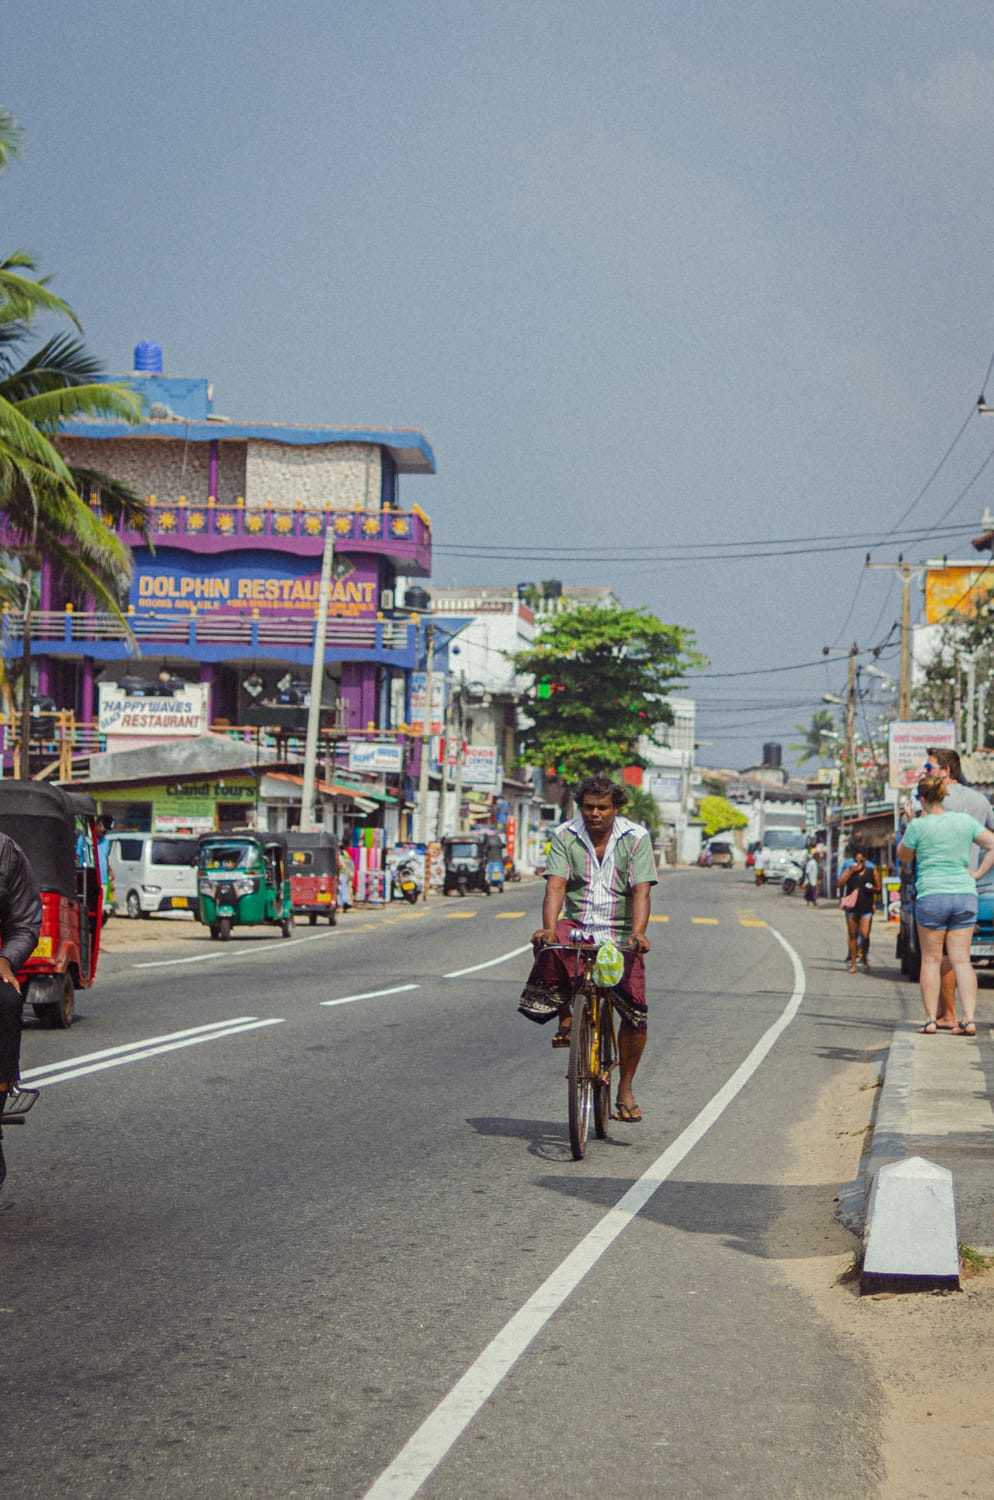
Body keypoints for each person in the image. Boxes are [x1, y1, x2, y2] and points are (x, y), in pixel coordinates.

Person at [518, 774, 656, 1123]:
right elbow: (556, 886)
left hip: (620, 932)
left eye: (603, 808)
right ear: (581, 807)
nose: (595, 814)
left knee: (635, 1012)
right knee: (548, 946)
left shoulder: (636, 838)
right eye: (589, 807)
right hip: (578, 926)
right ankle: (566, 1013)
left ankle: (625, 1088)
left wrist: (638, 934)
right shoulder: (565, 835)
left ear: (616, 808)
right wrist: (549, 928)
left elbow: (642, 891)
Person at [897, 772, 994, 1036]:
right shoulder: (964, 821)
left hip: (932, 895)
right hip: (964, 894)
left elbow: (904, 856)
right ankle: (969, 1020)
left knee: (930, 960)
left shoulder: (919, 825)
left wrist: (908, 824)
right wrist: (977, 873)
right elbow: (992, 843)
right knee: (962, 960)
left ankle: (930, 1020)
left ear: (922, 798)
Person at [924, 749, 994, 1029]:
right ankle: (964, 1017)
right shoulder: (980, 800)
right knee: (960, 957)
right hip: (971, 887)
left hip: (938, 885)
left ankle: (946, 1014)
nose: (926, 771)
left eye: (930, 767)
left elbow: (914, 842)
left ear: (946, 771)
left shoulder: (934, 801)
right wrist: (978, 871)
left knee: (936, 956)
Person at [0, 830, 44, 1194]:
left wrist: (6, 960)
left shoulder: (6, 852)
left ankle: (1, 1087)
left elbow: (24, 922)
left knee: (7, 1000)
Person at [835, 846, 881, 972]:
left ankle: (864, 957)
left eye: (861, 861)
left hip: (866, 907)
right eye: (856, 861)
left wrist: (871, 888)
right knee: (853, 935)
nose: (858, 864)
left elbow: (879, 888)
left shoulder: (872, 871)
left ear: (865, 860)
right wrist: (850, 872)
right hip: (852, 908)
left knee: (865, 935)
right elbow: (839, 884)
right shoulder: (849, 870)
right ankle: (854, 963)